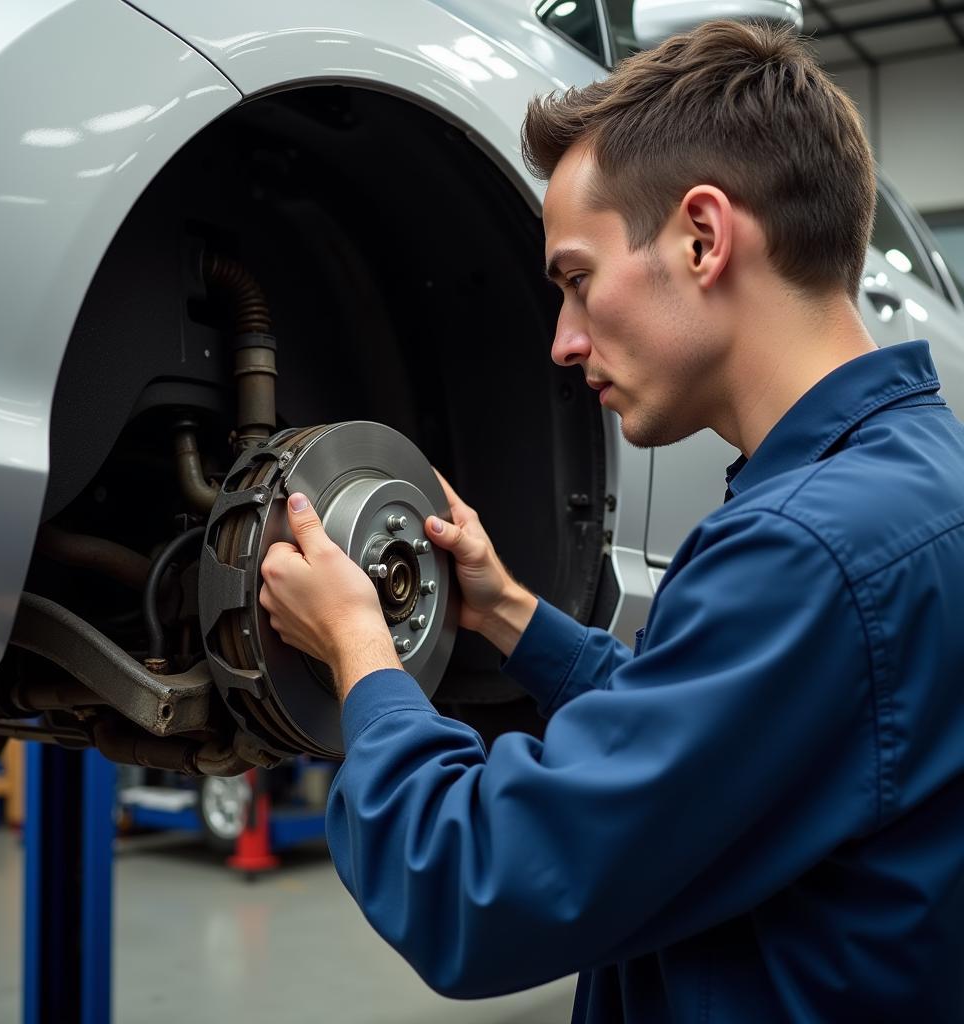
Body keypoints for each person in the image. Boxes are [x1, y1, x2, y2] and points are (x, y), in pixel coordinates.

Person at [258, 19, 964, 1022]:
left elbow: (472, 885)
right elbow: (726, 741)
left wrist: (360, 649)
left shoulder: (809, 552)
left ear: (703, 237)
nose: (560, 340)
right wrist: (511, 615)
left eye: (577, 280)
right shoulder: (910, 484)